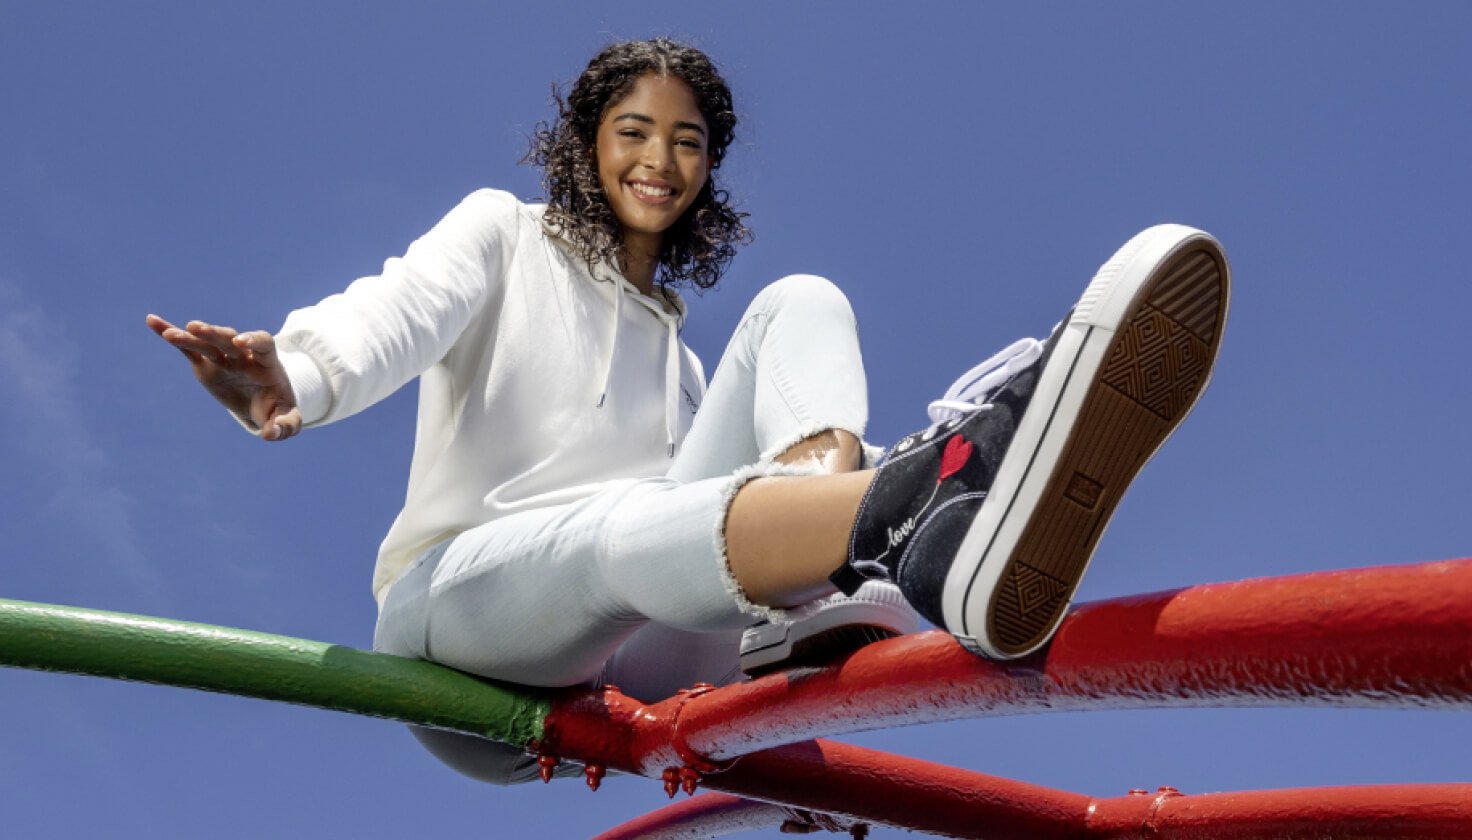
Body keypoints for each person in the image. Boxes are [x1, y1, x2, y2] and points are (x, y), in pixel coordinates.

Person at [147, 38, 1229, 784]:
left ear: (706, 170)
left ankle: (836, 573)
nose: (658, 161)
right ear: (586, 142)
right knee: (613, 529)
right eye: (633, 131)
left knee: (799, 301)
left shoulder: (683, 367)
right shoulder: (501, 234)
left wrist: (785, 746)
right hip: (464, 635)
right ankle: (915, 512)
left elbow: (678, 528)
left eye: (686, 142)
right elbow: (400, 306)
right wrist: (300, 365)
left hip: (634, 654)